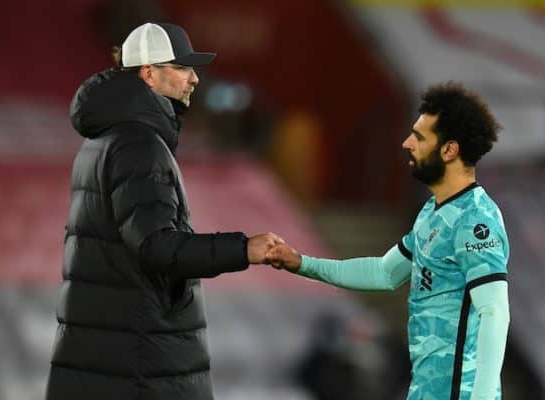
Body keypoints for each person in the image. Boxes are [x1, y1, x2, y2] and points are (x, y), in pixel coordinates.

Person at [45, 22, 283, 400]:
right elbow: (156, 246)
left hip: (113, 363)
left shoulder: (103, 141)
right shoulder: (138, 145)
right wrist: (244, 249)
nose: (194, 80)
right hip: (141, 366)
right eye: (182, 68)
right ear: (149, 72)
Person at [267, 82, 510, 400]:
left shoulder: (476, 219)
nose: (407, 143)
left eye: (420, 137)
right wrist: (301, 263)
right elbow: (384, 273)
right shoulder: (433, 213)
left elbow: (494, 312)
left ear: (449, 150)